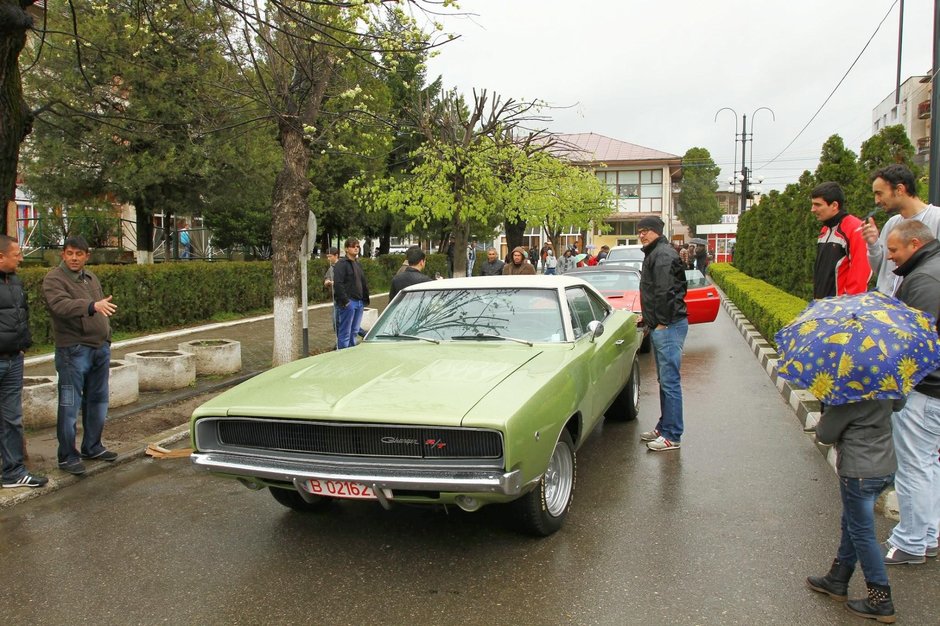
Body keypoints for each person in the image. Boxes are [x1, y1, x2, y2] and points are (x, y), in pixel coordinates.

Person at [806, 397, 900, 622]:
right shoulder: (886, 382)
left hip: (859, 472)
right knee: (852, 522)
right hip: (885, 467)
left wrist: (827, 408)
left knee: (861, 532)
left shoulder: (847, 395)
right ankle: (838, 578)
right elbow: (900, 404)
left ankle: (881, 600)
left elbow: (825, 435)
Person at [881, 220, 940, 566]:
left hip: (925, 389)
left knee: (914, 467)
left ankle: (911, 542)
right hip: (933, 388)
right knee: (929, 464)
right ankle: (928, 535)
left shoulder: (925, 280)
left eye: (893, 250)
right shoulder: (930, 270)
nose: (889, 258)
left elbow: (912, 341)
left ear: (914, 243)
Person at [42, 235, 118, 476]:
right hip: (73, 351)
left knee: (97, 401)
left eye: (79, 254)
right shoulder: (54, 278)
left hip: (99, 348)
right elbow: (60, 306)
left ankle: (92, 446)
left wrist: (106, 336)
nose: (74, 258)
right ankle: (67, 456)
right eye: (70, 253)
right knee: (69, 405)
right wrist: (91, 306)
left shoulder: (90, 277)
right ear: (63, 254)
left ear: (87, 256)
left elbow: (101, 306)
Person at [636, 216, 688, 452]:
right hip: (662, 325)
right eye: (640, 231)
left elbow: (667, 292)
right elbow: (656, 292)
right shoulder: (655, 253)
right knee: (664, 381)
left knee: (670, 383)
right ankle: (663, 427)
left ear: (657, 231)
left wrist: (662, 323)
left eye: (646, 230)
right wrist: (648, 318)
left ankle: (672, 435)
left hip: (668, 327)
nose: (642, 234)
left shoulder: (663, 255)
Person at [0, 236, 48, 489]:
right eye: (16, 254)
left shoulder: (15, 281)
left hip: (13, 360)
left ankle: (13, 473)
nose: (20, 258)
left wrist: (21, 346)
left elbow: (21, 316)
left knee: (12, 419)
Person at [862, 164, 940, 294]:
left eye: (879, 194)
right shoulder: (892, 223)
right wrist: (873, 244)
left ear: (899, 189)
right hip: (888, 307)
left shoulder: (936, 219)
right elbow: (882, 270)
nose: (876, 201)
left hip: (919, 306)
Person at [810, 181, 871, 299]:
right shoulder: (825, 230)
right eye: (812, 204)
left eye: (817, 205)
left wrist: (847, 307)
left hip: (841, 310)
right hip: (822, 306)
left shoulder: (855, 229)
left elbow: (861, 274)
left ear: (834, 205)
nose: (813, 209)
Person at [332, 238, 370, 349]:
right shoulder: (341, 264)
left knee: (354, 331)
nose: (356, 248)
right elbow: (338, 284)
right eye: (353, 246)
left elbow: (363, 283)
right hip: (349, 302)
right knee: (345, 333)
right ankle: (342, 355)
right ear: (347, 249)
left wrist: (364, 300)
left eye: (358, 246)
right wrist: (346, 301)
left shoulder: (358, 264)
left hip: (359, 302)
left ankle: (351, 353)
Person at [322, 247, 340, 346]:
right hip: (335, 299)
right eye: (327, 257)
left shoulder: (342, 266)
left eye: (330, 256)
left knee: (344, 321)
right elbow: (326, 280)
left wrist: (334, 282)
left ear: (336, 255)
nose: (328, 259)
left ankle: (365, 334)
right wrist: (327, 282)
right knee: (335, 321)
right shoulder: (330, 268)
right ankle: (338, 341)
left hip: (344, 299)